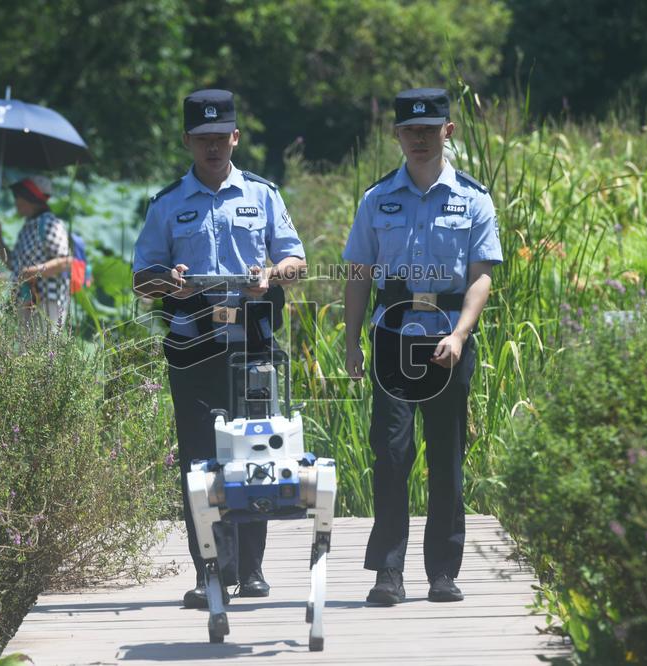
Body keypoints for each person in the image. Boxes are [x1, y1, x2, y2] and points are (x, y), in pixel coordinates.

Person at [132, 89, 307, 608]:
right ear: (188, 141)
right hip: (193, 346)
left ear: (235, 137)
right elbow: (142, 279)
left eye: (220, 137)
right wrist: (169, 280)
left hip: (252, 343)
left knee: (255, 450)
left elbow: (296, 261)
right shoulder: (167, 204)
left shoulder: (263, 195)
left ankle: (250, 569)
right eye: (202, 139)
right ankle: (210, 569)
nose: (212, 147)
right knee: (200, 459)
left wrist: (270, 274)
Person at [342, 88, 503, 605]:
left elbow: (481, 277)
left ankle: (443, 572)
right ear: (396, 135)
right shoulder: (376, 199)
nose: (419, 139)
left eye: (428, 130)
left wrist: (460, 334)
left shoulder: (473, 199)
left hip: (447, 340)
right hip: (393, 337)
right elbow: (358, 274)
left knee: (446, 455)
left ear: (447, 132)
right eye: (409, 130)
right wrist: (351, 342)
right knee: (391, 453)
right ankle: (388, 572)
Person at [0, 176, 71, 334]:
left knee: (43, 348)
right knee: (26, 348)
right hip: (26, 300)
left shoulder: (50, 223)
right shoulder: (28, 226)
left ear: (30, 198)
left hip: (47, 301)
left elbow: (65, 261)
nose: (16, 202)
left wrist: (33, 272)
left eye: (18, 197)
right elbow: (12, 263)